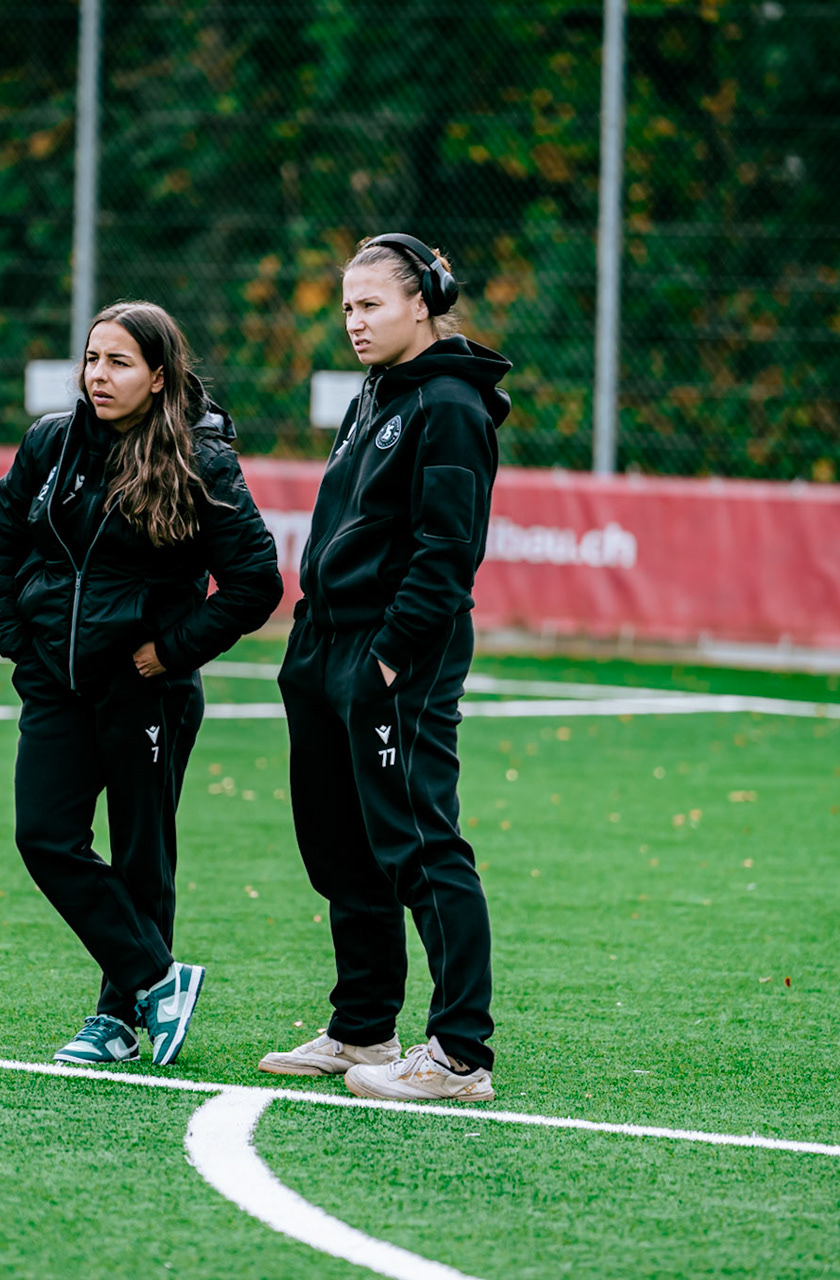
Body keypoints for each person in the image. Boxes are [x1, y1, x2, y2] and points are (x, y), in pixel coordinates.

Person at [0, 301, 282, 1066]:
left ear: (157, 375)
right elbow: (0, 544)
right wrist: (22, 650)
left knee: (141, 855)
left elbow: (256, 584)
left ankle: (115, 1021)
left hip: (147, 690)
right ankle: (157, 979)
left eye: (118, 362)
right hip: (55, 682)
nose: (98, 376)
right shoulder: (50, 444)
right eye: (90, 359)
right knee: (44, 837)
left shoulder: (199, 459)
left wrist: (170, 653)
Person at [262, 234, 510, 1102]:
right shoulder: (376, 393)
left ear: (422, 304)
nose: (354, 322)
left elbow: (448, 553)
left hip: (393, 654)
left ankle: (459, 1056)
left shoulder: (449, 403)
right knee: (339, 842)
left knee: (417, 840)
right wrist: (310, 639)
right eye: (346, 306)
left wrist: (391, 660)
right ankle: (364, 1028)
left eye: (370, 305)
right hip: (324, 644)